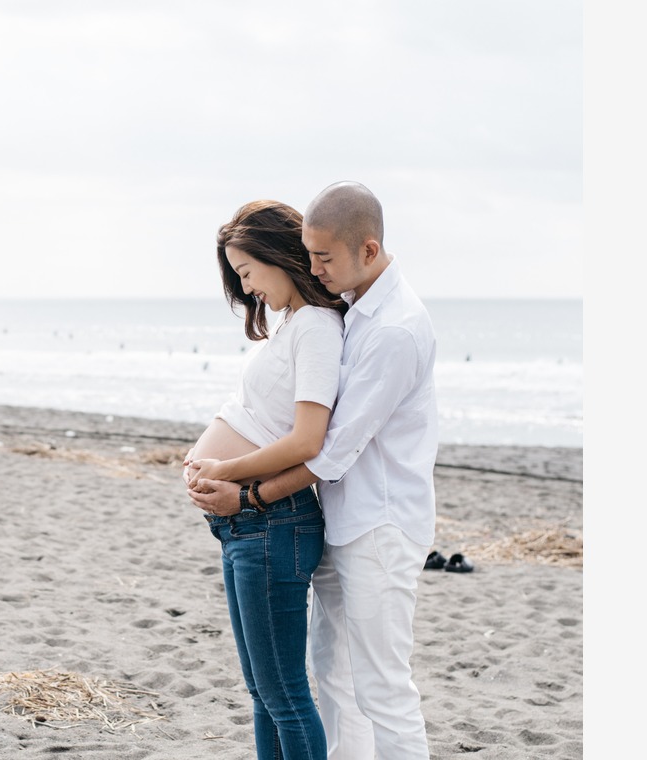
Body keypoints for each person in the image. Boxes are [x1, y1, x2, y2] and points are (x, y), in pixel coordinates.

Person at [188, 181, 438, 760]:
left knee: (382, 687)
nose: (314, 267)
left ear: (368, 250)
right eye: (309, 254)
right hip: (340, 518)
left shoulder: (394, 329)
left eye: (323, 257)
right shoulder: (350, 312)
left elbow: (329, 448)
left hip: (379, 523)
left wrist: (245, 494)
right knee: (334, 678)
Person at [183, 199, 346, 760]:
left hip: (275, 524)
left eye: (248, 272)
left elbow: (307, 440)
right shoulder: (293, 325)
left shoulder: (318, 329)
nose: (249, 289)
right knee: (262, 690)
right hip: (244, 525)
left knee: (285, 694)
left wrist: (224, 470)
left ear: (280, 257)